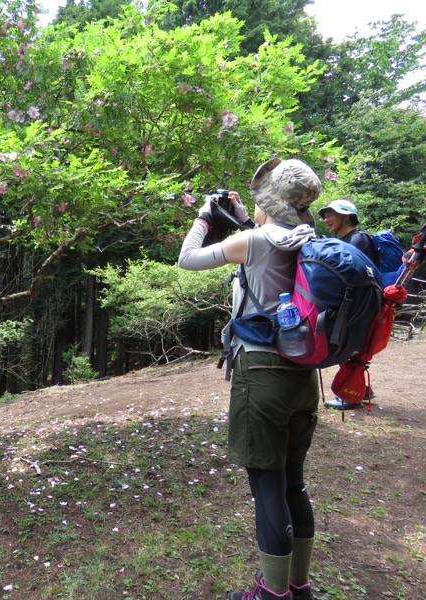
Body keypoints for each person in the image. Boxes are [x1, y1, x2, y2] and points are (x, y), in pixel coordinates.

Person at [178, 158, 321, 600]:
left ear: (268, 203)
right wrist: (243, 213)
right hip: (303, 373)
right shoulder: (311, 237)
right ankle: (299, 585)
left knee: (267, 486)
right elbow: (270, 231)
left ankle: (272, 594)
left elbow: (187, 259)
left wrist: (205, 215)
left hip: (262, 373)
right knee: (293, 481)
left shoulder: (255, 241)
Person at [318, 199, 376, 409]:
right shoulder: (348, 240)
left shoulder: (358, 239)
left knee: (346, 346)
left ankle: (352, 396)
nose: (326, 220)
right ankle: (362, 390)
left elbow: (350, 272)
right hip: (354, 303)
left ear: (344, 215)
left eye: (329, 215)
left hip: (359, 304)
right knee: (349, 347)